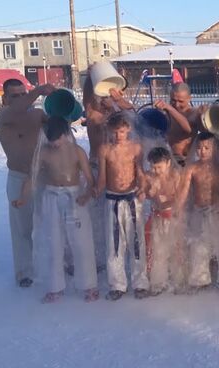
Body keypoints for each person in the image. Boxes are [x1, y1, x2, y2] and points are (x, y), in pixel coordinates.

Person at [16, 116, 98, 303]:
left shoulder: (77, 152)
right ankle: (55, 287)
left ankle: (89, 285)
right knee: (54, 242)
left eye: (57, 139)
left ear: (65, 134)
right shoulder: (43, 152)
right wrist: (23, 197)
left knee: (81, 242)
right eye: (50, 139)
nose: (54, 143)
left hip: (74, 197)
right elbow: (32, 177)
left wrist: (87, 194)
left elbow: (89, 178)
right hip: (52, 197)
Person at [0, 79, 55, 287]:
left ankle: (52, 264)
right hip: (18, 177)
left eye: (24, 94)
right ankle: (24, 272)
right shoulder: (4, 116)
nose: (21, 99)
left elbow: (60, 124)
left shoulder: (37, 114)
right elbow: (18, 109)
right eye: (15, 95)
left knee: (48, 223)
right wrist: (39, 90)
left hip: (41, 176)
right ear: (5, 98)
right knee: (22, 228)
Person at [83, 75, 135, 271]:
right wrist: (90, 79)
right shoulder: (94, 115)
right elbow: (89, 106)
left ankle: (125, 257)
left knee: (121, 220)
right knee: (97, 217)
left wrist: (117, 102)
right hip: (97, 167)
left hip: (119, 172)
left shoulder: (121, 112)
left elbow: (131, 116)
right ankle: (98, 259)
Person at [95, 112, 149, 300]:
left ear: (129, 130)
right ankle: (117, 284)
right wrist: (92, 192)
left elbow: (140, 171)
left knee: (137, 241)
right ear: (110, 131)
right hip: (112, 199)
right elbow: (102, 177)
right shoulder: (105, 150)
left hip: (132, 198)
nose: (119, 136)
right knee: (114, 244)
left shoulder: (135, 148)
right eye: (115, 132)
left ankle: (140, 282)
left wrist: (143, 188)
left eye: (122, 131)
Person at [178, 132, 219, 291]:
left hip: (216, 211)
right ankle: (200, 279)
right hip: (198, 210)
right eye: (199, 148)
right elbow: (184, 190)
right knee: (198, 245)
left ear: (215, 149)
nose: (202, 151)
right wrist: (180, 207)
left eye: (206, 148)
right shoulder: (192, 168)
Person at [144, 147, 185, 296]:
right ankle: (158, 282)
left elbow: (182, 197)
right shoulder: (149, 176)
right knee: (157, 250)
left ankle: (179, 281)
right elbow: (146, 194)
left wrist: (172, 203)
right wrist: (149, 193)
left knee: (177, 250)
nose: (156, 171)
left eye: (159, 167)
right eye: (153, 167)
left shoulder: (176, 176)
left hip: (173, 217)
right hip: (157, 216)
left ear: (168, 163)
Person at [166, 83, 207, 166]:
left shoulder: (194, 113)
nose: (177, 105)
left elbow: (189, 129)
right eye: (173, 100)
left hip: (186, 160)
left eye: (181, 101)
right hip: (168, 159)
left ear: (189, 98)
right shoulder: (166, 113)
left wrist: (204, 114)